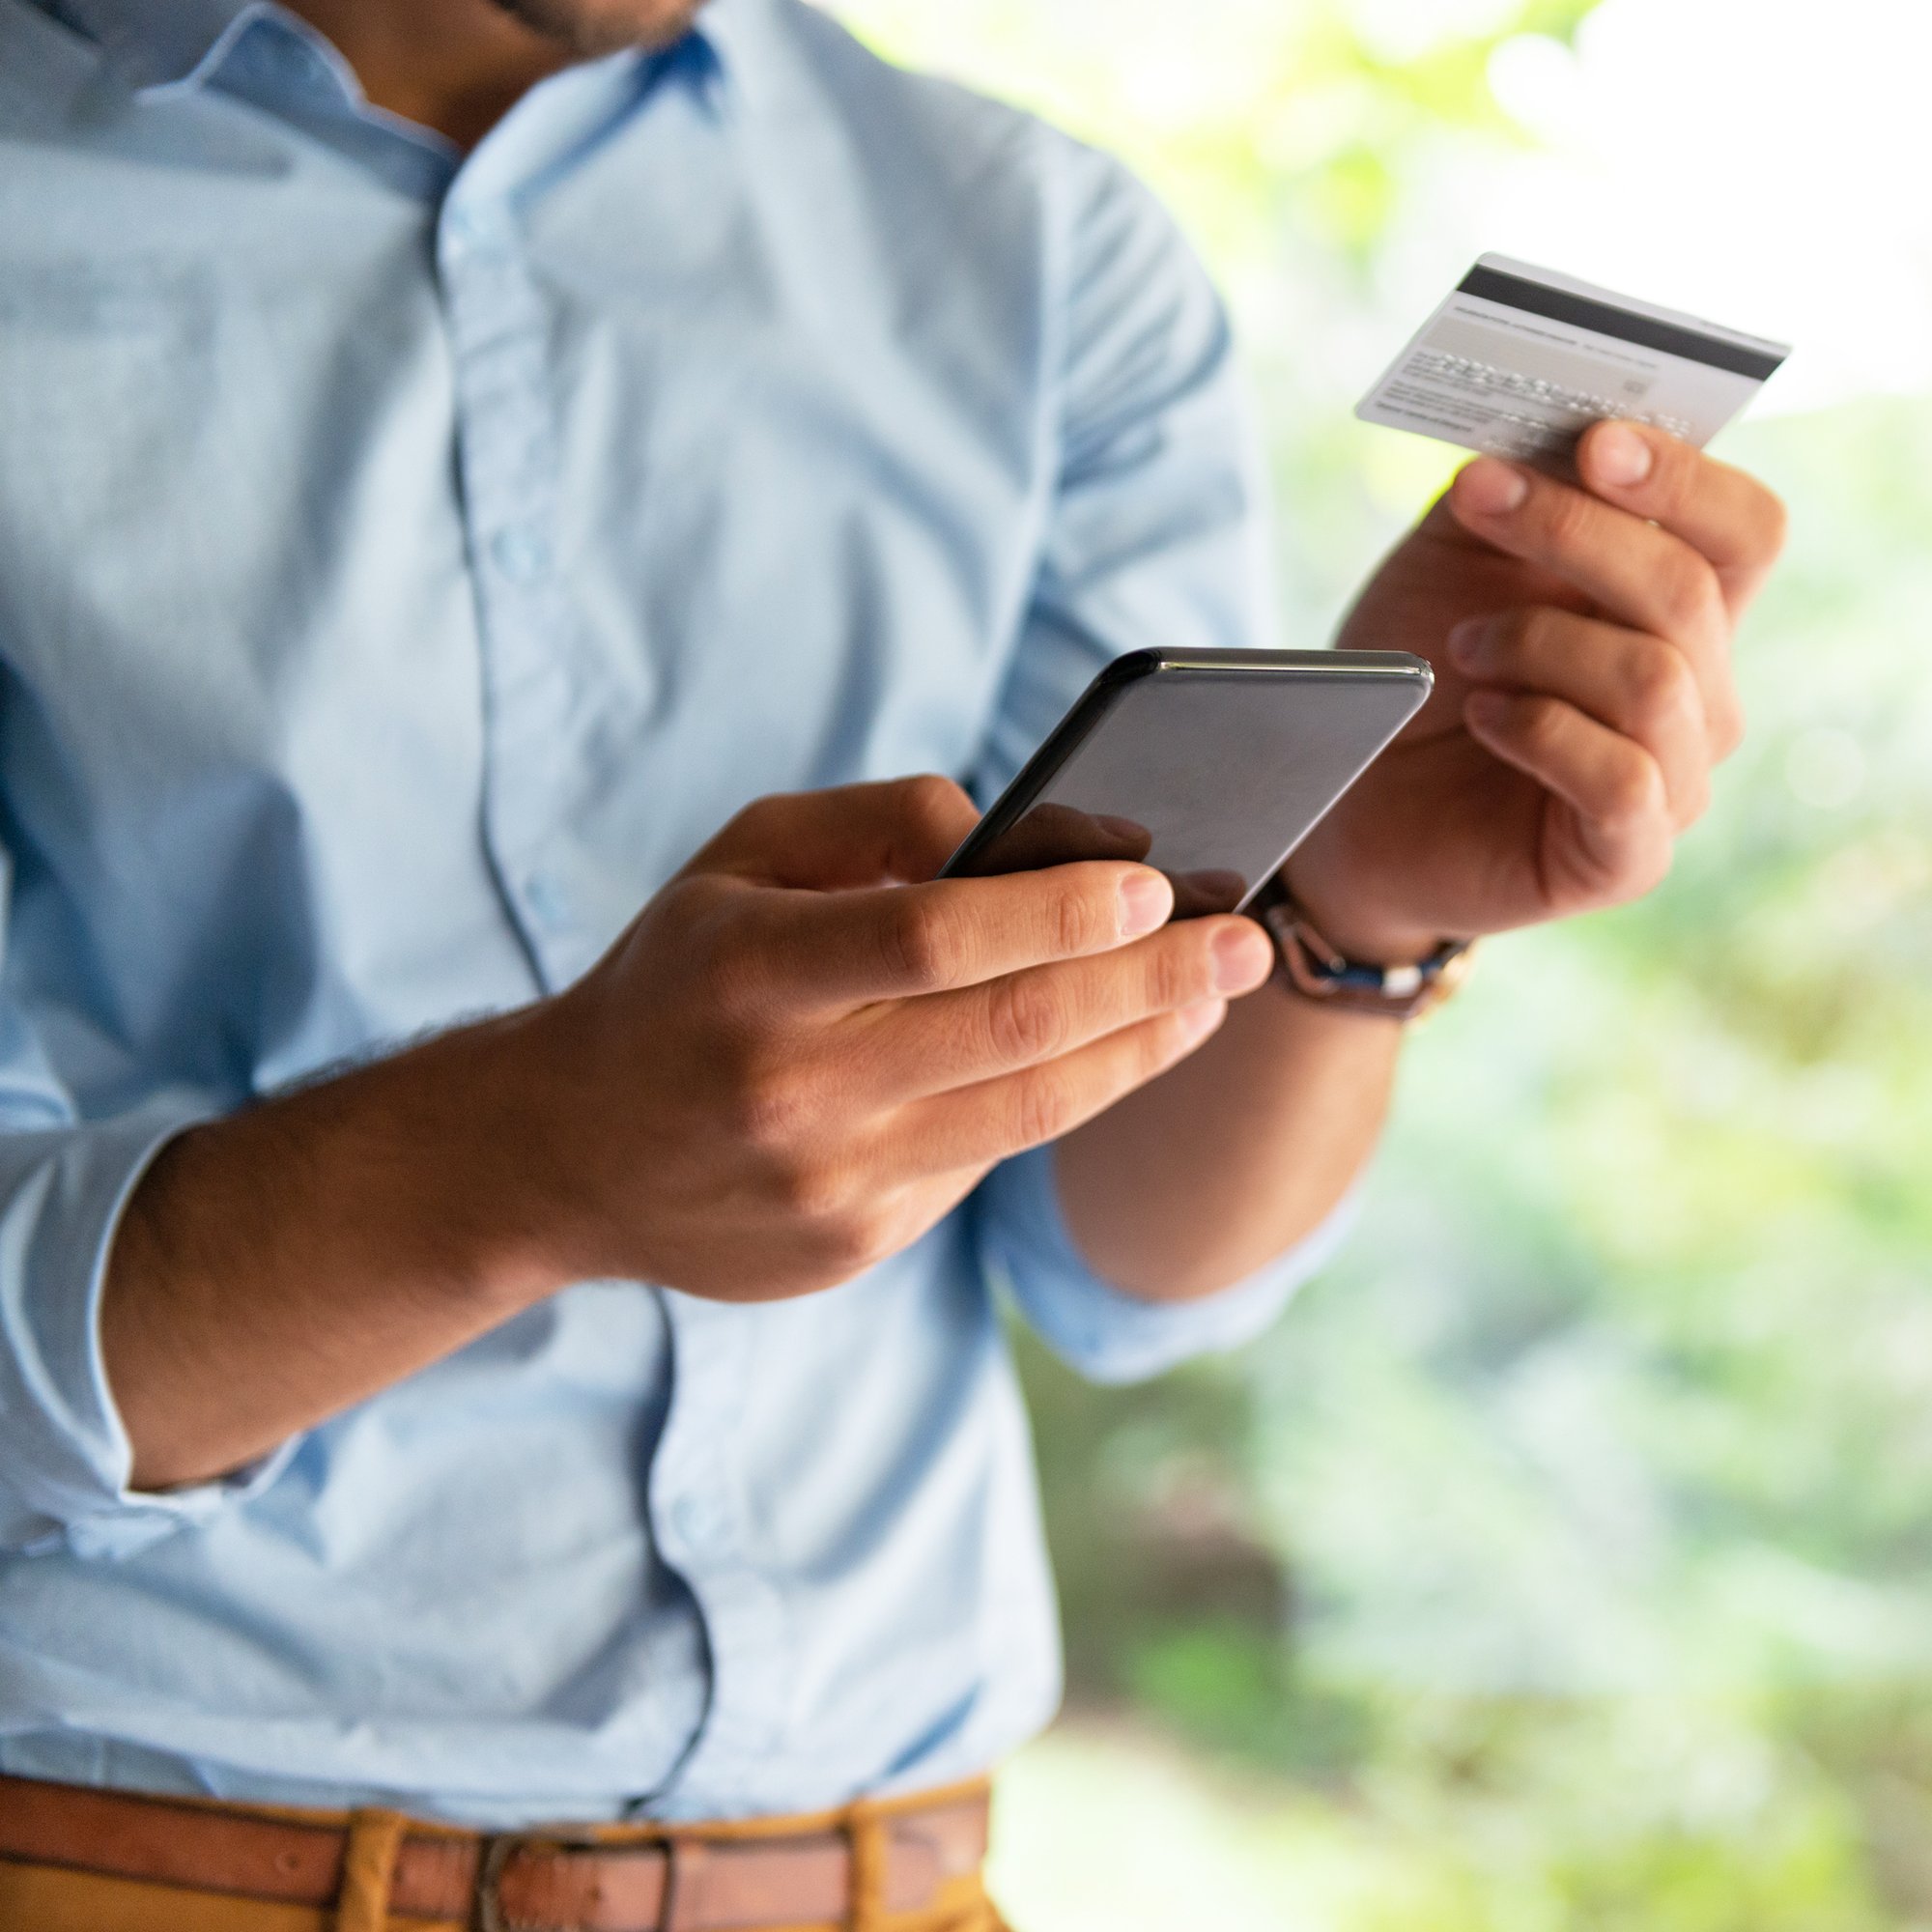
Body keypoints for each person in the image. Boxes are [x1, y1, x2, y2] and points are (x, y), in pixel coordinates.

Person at [0, 0, 1786, 1925]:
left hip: (896, 1873)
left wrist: (1346, 898)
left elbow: (1117, 1257)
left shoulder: (1033, 245)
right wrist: (518, 1163)